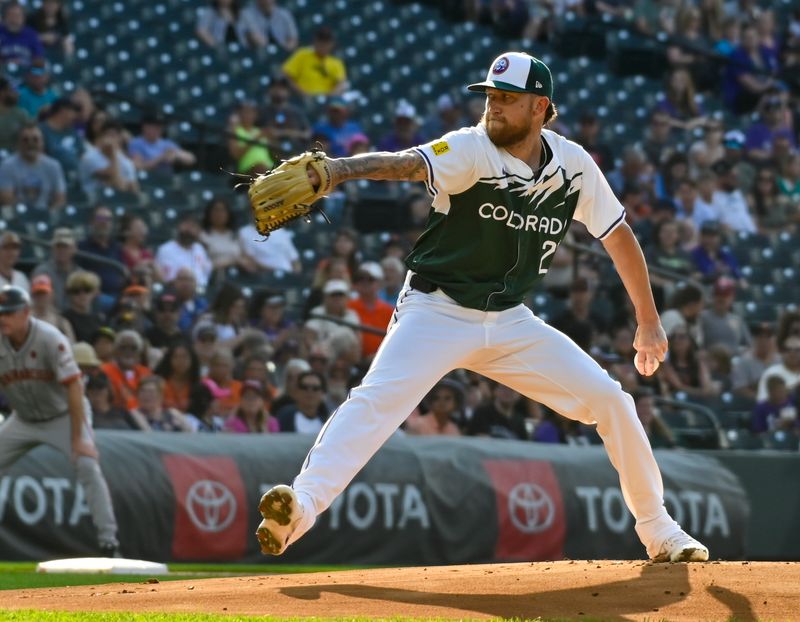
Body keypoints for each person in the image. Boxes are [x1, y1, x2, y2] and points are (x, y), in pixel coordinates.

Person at [255, 52, 708, 563]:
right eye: (490, 96)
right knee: (375, 403)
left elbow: (618, 234)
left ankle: (659, 530)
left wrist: (648, 321)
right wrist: (338, 169)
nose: (493, 107)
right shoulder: (471, 148)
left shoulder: (574, 166)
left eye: (507, 99)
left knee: (612, 400)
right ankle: (300, 508)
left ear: (540, 107)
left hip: (510, 320)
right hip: (436, 310)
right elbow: (407, 163)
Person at [0, 285, 119, 556]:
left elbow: (75, 387)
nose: (3, 318)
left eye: (9, 313)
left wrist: (78, 438)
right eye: (0, 314)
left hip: (63, 416)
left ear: (26, 312)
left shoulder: (49, 338)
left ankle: (109, 541)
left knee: (87, 464)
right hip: (23, 420)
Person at [0, 122, 66, 211]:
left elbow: (60, 199)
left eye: (35, 139)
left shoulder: (54, 166)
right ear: (18, 143)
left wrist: (51, 214)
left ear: (43, 142)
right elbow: (6, 199)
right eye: (25, 140)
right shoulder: (7, 166)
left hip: (47, 216)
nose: (30, 143)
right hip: (17, 216)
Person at [281, 26, 347, 98]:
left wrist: (329, 97)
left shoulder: (336, 63)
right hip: (302, 98)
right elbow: (286, 74)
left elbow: (341, 83)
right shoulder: (302, 54)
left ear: (332, 44)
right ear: (315, 41)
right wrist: (301, 92)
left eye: (326, 42)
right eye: (320, 41)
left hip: (326, 101)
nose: (323, 45)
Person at [128, 113, 196, 175]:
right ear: (145, 126)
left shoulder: (167, 143)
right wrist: (161, 158)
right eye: (155, 126)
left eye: (160, 126)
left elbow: (191, 159)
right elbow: (138, 167)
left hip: (166, 180)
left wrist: (176, 155)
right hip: (146, 181)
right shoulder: (136, 143)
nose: (158, 129)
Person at [0, 2, 45, 68]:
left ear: (23, 18)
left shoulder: (31, 34)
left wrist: (23, 62)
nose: (14, 19)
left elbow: (39, 59)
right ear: (4, 17)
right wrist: (6, 62)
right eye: (11, 15)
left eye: (18, 15)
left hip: (25, 73)